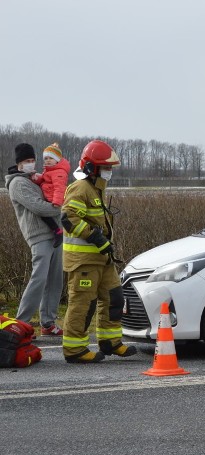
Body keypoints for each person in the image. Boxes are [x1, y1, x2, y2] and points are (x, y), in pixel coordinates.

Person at [60, 139, 137, 363]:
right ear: (91, 168)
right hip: (83, 261)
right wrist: (95, 237)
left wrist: (104, 244)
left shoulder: (96, 188)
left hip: (102, 259)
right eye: (106, 167)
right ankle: (75, 350)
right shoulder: (80, 188)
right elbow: (68, 217)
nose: (109, 172)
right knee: (83, 303)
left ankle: (110, 342)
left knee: (114, 297)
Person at [4, 143, 65, 337]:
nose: (31, 164)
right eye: (26, 161)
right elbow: (38, 207)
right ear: (19, 163)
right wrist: (59, 207)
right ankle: (21, 324)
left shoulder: (33, 179)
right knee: (39, 279)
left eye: (32, 160)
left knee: (55, 280)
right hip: (39, 236)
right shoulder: (18, 184)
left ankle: (48, 322)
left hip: (55, 233)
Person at [32, 143, 70, 247]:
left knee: (44, 214)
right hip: (49, 196)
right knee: (45, 215)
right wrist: (37, 179)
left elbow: (59, 187)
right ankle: (60, 230)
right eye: (46, 158)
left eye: (51, 158)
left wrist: (57, 201)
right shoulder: (49, 170)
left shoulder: (59, 172)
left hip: (53, 199)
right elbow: (45, 180)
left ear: (57, 159)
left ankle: (58, 232)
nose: (48, 160)